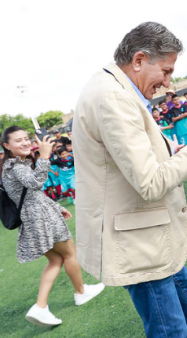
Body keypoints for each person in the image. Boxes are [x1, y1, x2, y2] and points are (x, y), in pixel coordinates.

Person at [73, 22, 187, 338]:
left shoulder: (113, 90)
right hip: (138, 239)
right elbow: (150, 182)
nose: (169, 83)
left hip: (147, 236)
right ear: (139, 59)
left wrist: (180, 151)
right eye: (167, 72)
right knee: (171, 329)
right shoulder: (112, 97)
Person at [1, 126, 104, 327]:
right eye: (17, 140)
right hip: (41, 218)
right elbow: (36, 184)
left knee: (56, 260)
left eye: (25, 139)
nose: (24, 143)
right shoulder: (16, 166)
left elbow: (32, 194)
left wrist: (56, 206)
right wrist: (45, 157)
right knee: (69, 254)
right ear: (6, 145)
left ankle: (41, 306)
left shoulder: (12, 165)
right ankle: (80, 293)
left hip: (37, 217)